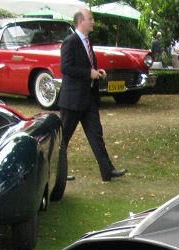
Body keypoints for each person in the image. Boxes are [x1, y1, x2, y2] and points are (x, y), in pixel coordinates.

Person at [59, 9, 125, 181]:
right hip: (72, 100)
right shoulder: (70, 42)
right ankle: (57, 173)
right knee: (62, 139)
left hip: (88, 98)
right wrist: (89, 73)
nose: (93, 22)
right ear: (81, 21)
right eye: (90, 19)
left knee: (96, 135)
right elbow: (66, 68)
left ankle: (107, 171)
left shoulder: (88, 42)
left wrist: (97, 72)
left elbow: (86, 65)